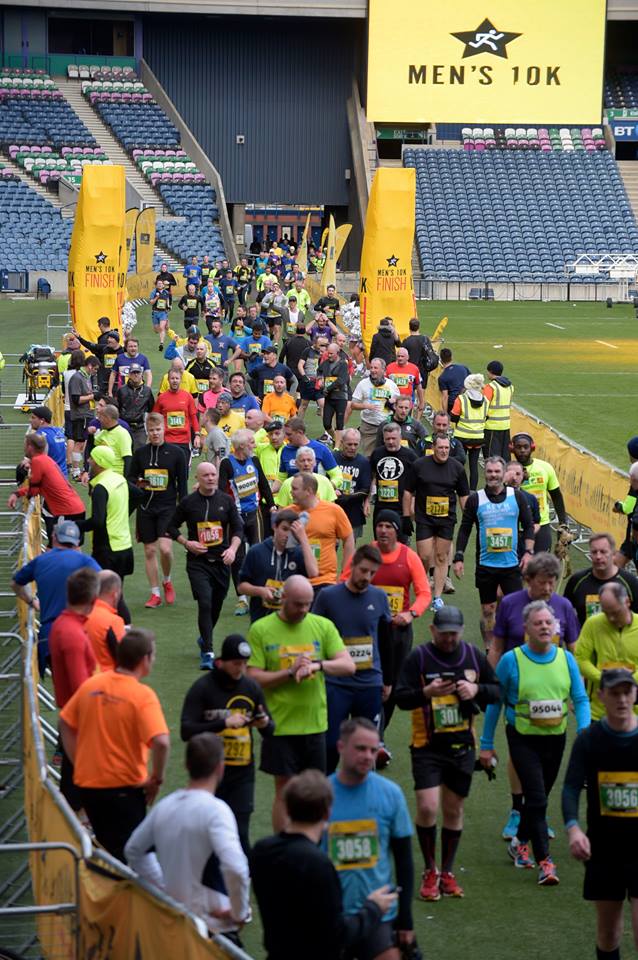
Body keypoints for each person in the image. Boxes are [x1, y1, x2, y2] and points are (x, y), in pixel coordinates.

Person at [480, 600, 591, 884]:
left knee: (538, 799)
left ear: (555, 628)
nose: (544, 627)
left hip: (555, 739)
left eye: (548, 623)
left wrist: (585, 730)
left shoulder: (566, 659)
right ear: (526, 628)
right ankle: (546, 863)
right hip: (522, 738)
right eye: (537, 623)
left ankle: (519, 842)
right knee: (538, 798)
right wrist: (486, 742)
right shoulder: (511, 660)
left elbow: (579, 697)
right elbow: (495, 703)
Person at [395, 606, 499, 900]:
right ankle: (431, 869)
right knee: (428, 807)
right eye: (444, 633)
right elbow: (401, 698)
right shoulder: (419, 658)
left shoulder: (473, 656)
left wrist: (475, 689)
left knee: (454, 810)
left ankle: (447, 872)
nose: (449, 639)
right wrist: (426, 694)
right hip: (426, 745)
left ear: (462, 631)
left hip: (462, 747)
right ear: (433, 631)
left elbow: (497, 691)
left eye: (454, 633)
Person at [251, 769, 395, 960]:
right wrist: (373, 908)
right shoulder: (318, 864)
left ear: (287, 808)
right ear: (327, 812)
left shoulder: (262, 850)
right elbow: (337, 935)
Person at [247, 575, 354, 829]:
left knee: (315, 792)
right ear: (283, 598)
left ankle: (312, 847)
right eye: (298, 604)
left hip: (314, 724)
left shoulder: (322, 626)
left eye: (308, 603)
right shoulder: (261, 629)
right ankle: (286, 851)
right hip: (279, 726)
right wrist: (289, 672)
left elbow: (348, 665)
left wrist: (317, 665)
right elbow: (253, 678)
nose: (304, 609)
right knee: (285, 791)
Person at [125, 731, 250, 944]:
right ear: (220, 768)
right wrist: (239, 913)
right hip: (212, 928)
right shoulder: (217, 811)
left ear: (186, 765)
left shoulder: (165, 806)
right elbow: (236, 868)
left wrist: (165, 887)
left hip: (173, 924)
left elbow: (133, 851)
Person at [59, 628, 170, 863]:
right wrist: (156, 779)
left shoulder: (93, 684)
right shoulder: (142, 695)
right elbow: (161, 741)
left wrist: (78, 761)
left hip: (89, 787)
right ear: (144, 659)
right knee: (137, 861)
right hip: (124, 789)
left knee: (109, 850)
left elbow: (65, 722)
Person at [562, 668, 638, 960]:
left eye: (627, 692)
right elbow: (570, 788)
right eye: (615, 693)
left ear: (634, 694)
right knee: (609, 933)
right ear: (601, 696)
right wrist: (573, 828)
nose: (621, 699)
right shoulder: (589, 740)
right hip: (605, 849)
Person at [328, 717, 417, 959]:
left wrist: (405, 921)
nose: (368, 756)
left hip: (380, 914)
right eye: (360, 748)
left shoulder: (391, 794)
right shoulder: (322, 796)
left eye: (373, 749)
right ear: (340, 748)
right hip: (332, 917)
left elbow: (404, 862)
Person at [180, 636, 272, 854]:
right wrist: (222, 723)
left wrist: (264, 722)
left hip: (242, 771)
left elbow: (270, 729)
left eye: (244, 663)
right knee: (205, 832)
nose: (241, 668)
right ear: (221, 662)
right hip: (208, 772)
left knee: (240, 832)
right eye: (236, 664)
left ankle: (243, 878)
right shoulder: (203, 688)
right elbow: (186, 730)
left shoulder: (251, 687)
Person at [314, 545, 393, 773]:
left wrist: (387, 679)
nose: (367, 577)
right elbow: (315, 637)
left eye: (372, 573)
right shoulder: (328, 597)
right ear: (352, 567)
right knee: (329, 746)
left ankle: (362, 800)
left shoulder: (379, 597)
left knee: (367, 749)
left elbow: (386, 641)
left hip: (369, 684)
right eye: (363, 571)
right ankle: (327, 797)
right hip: (336, 684)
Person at [454, 456, 535, 651]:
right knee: (488, 610)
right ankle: (490, 647)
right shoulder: (476, 499)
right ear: (485, 473)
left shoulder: (516, 496)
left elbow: (529, 525)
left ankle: (517, 646)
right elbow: (465, 529)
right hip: (486, 565)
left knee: (517, 609)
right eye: (489, 471)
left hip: (511, 565)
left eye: (497, 471)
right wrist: (458, 556)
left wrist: (529, 552)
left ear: (503, 473)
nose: (493, 475)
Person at [168, 461, 243, 669]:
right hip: (198, 563)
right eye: (206, 475)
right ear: (198, 479)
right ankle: (208, 651)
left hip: (222, 562)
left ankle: (205, 636)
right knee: (205, 601)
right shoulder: (188, 502)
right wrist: (187, 543)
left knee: (217, 603)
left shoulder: (226, 501)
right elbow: (171, 526)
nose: (210, 478)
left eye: (213, 474)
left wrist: (232, 550)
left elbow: (238, 530)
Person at [11, 520, 100, 674]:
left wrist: (31, 601)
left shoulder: (40, 561)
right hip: (78, 630)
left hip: (49, 634)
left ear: (54, 537)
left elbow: (15, 583)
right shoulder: (84, 561)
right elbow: (106, 580)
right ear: (77, 542)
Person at [48, 567, 99, 811]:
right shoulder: (73, 634)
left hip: (74, 717)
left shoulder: (65, 625)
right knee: (77, 787)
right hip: (79, 722)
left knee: (73, 784)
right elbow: (82, 689)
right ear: (92, 599)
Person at [404, 434, 469, 612]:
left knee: (441, 557)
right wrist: (405, 516)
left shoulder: (457, 468)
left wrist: (470, 518)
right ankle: (423, 583)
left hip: (446, 520)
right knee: (424, 556)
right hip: (424, 518)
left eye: (447, 448)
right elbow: (408, 491)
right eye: (440, 448)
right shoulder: (420, 465)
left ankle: (437, 597)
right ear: (433, 447)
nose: (444, 451)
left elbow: (464, 495)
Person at [130, 413, 188, 609]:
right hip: (146, 508)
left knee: (165, 549)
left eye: (158, 429)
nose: (155, 433)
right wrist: (142, 484)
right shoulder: (140, 454)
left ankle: (167, 580)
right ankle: (155, 593)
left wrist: (184, 509)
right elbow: (130, 479)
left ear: (164, 429)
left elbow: (182, 484)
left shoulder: (177, 453)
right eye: (151, 430)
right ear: (147, 431)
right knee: (149, 550)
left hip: (168, 507)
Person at [218, 428, 276, 614]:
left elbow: (263, 485)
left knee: (259, 552)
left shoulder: (255, 460)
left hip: (255, 513)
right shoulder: (227, 464)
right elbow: (220, 491)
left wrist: (272, 505)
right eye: (251, 442)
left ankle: (259, 594)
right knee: (238, 558)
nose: (254, 445)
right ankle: (242, 599)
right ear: (241, 446)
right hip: (235, 517)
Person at [238, 508, 318, 621]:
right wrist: (261, 591)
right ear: (275, 526)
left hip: (292, 622)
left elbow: (314, 572)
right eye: (284, 529)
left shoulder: (298, 553)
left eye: (292, 531)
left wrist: (303, 538)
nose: (287, 535)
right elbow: (241, 587)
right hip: (262, 620)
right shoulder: (256, 552)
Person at [575, 581, 638, 719]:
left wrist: (627, 681)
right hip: (598, 714)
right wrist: (604, 679)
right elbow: (581, 659)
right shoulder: (593, 624)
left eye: (615, 612)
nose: (611, 618)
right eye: (606, 613)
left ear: (627, 602)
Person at [9, 433, 85, 542]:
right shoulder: (44, 460)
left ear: (30, 447)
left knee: (64, 546)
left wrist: (20, 494)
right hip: (71, 508)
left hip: (67, 511)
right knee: (58, 545)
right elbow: (39, 487)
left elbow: (34, 490)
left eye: (25, 445)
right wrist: (17, 493)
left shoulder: (38, 461)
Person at [289, 473, 354, 591]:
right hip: (295, 581)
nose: (291, 492)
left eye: (294, 489)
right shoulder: (288, 513)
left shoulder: (333, 511)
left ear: (308, 491)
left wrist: (345, 574)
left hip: (325, 581)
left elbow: (348, 538)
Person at [564, 532, 638, 627]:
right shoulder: (577, 581)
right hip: (586, 640)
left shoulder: (630, 582)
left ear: (614, 554)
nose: (598, 557)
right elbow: (564, 613)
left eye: (603, 552)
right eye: (594, 552)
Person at [511, 432, 568, 553]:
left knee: (541, 568)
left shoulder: (545, 468)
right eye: (518, 447)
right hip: (515, 526)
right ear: (512, 448)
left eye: (525, 447)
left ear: (532, 448)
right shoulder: (507, 470)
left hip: (542, 524)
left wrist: (563, 523)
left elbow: (556, 496)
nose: (522, 450)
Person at [370, 422, 418, 534]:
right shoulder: (377, 453)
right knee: (380, 545)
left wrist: (412, 505)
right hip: (380, 508)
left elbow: (418, 482)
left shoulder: (410, 456)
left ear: (400, 438)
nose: (391, 442)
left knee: (401, 546)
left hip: (401, 509)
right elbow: (372, 475)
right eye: (387, 439)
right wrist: (368, 499)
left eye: (394, 438)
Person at [352, 358, 401, 457]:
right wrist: (365, 406)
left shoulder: (392, 385)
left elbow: (398, 404)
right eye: (371, 368)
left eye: (376, 368)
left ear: (383, 370)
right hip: (369, 426)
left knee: (389, 456)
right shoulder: (363, 384)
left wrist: (392, 404)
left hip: (388, 426)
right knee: (370, 457)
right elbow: (353, 405)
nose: (373, 370)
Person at [153, 368, 201, 465]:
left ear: (180, 379)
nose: (175, 380)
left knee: (183, 472)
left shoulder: (187, 396)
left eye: (177, 378)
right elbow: (155, 418)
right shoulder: (162, 398)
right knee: (168, 471)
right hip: (167, 441)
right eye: (172, 378)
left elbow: (193, 417)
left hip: (184, 441)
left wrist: (197, 435)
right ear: (168, 380)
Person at [451, 374, 489, 491]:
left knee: (458, 464)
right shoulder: (486, 400)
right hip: (478, 436)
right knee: (474, 466)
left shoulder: (461, 399)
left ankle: (458, 487)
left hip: (462, 436)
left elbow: (454, 416)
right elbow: (486, 416)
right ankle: (472, 490)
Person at [278, 416, 341, 485]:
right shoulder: (286, 450)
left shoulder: (320, 449)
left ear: (300, 432)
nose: (286, 438)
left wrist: (327, 489)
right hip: (293, 494)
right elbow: (281, 479)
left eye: (289, 434)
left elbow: (337, 476)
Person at [85, 570, 126, 671]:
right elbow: (124, 658)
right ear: (115, 594)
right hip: (107, 679)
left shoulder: (80, 614)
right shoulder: (114, 621)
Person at [334, 428, 371, 540]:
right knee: (331, 545)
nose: (352, 448)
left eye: (356, 444)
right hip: (333, 509)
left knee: (350, 547)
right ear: (342, 443)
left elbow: (365, 489)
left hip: (354, 511)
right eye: (349, 444)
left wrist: (348, 497)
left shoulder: (363, 462)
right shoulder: (332, 458)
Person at [114, 364, 154, 451]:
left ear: (141, 374)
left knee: (140, 453)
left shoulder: (147, 391)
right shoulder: (121, 390)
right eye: (133, 373)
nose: (136, 375)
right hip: (124, 427)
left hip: (140, 428)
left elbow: (151, 409)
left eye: (138, 372)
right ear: (129, 375)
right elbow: (117, 408)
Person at [318, 341, 349, 448]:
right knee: (326, 424)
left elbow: (341, 380)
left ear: (337, 352)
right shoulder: (325, 363)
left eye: (331, 353)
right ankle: (336, 439)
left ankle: (336, 447)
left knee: (339, 424)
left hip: (340, 397)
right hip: (329, 398)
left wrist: (328, 388)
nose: (329, 355)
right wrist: (320, 379)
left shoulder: (343, 364)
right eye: (328, 353)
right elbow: (319, 371)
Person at [89, 402, 133, 477]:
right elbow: (93, 446)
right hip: (103, 475)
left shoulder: (122, 434)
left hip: (116, 477)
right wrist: (91, 434)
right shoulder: (103, 432)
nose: (99, 419)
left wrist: (126, 481)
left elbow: (128, 459)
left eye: (100, 417)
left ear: (107, 418)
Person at [482, 360, 514, 460]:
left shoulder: (490, 387)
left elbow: (483, 406)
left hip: (491, 427)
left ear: (490, 371)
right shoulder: (510, 387)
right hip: (505, 426)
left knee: (491, 458)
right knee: (504, 456)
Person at [30, 405, 68, 477]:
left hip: (50, 477)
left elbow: (39, 460)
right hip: (63, 476)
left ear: (42, 420)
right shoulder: (59, 431)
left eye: (33, 418)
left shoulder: (39, 436)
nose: (30, 420)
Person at [401, 317, 439, 389]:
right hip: (423, 370)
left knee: (410, 392)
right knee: (421, 393)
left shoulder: (406, 341)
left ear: (409, 327)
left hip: (410, 371)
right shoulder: (425, 339)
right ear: (418, 327)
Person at [387, 347, 424, 416]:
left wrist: (421, 402)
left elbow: (419, 386)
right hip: (392, 403)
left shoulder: (414, 369)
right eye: (398, 356)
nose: (400, 358)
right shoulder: (389, 367)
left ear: (407, 357)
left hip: (407, 404)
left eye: (402, 356)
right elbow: (384, 385)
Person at [438, 348, 470, 414]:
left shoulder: (442, 377)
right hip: (467, 400)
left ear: (441, 360)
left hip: (453, 403)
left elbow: (445, 397)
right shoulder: (463, 368)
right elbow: (471, 381)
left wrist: (445, 414)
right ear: (451, 357)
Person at [149, 279, 171, 350]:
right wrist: (156, 297)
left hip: (163, 313)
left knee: (162, 328)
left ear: (163, 285)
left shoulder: (166, 292)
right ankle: (163, 327)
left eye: (161, 283)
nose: (160, 285)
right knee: (156, 330)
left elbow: (167, 300)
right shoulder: (153, 292)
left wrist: (168, 307)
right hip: (155, 312)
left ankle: (161, 343)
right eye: (158, 283)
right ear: (156, 285)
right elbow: (151, 302)